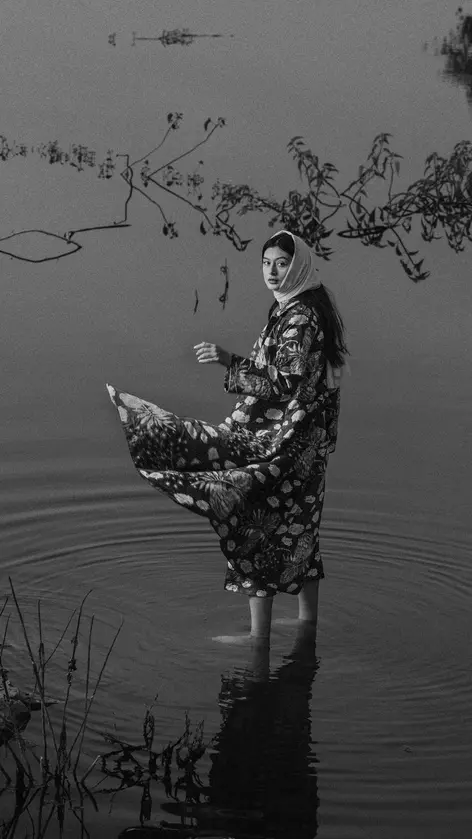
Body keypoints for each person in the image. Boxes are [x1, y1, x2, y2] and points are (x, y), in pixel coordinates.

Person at [106, 230, 348, 644]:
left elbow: (285, 382)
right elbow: (311, 384)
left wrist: (227, 360)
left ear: (298, 266)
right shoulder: (304, 306)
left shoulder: (298, 318)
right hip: (306, 442)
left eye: (282, 263)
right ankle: (306, 624)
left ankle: (258, 638)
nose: (272, 272)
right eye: (266, 263)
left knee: (252, 523)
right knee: (300, 529)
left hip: (286, 443)